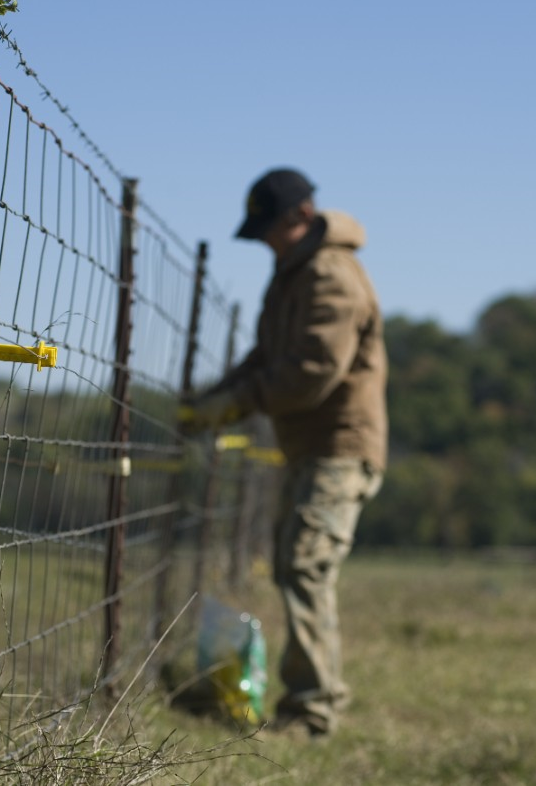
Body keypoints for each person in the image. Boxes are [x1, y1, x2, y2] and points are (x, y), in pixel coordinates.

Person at [183, 168, 388, 737]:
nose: (266, 243)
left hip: (339, 448)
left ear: (299, 217)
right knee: (295, 565)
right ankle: (308, 703)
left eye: (269, 230)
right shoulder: (294, 273)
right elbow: (268, 355)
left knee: (304, 566)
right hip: (311, 447)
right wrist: (214, 398)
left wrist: (234, 405)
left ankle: (311, 712)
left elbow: (311, 372)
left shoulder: (331, 277)